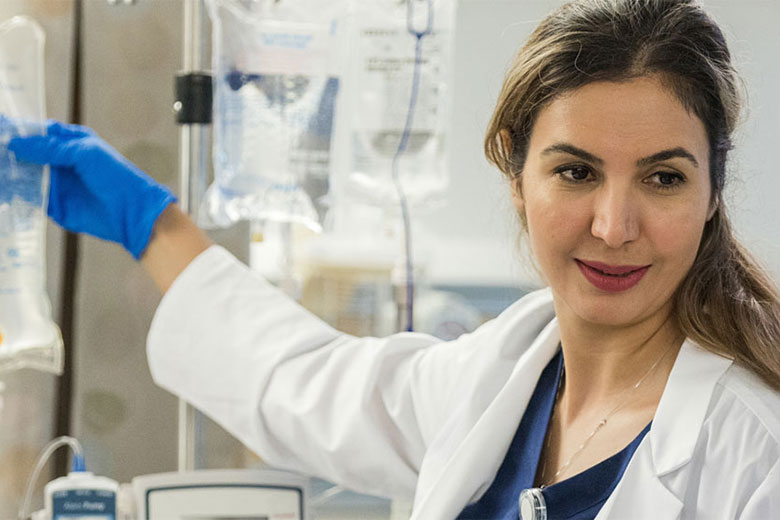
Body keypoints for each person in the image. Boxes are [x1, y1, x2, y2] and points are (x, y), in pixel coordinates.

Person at [8, 0, 780, 518]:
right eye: (575, 172)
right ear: (515, 175)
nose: (614, 226)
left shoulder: (754, 449)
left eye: (663, 177)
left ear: (714, 188)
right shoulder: (506, 371)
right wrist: (152, 224)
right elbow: (303, 384)